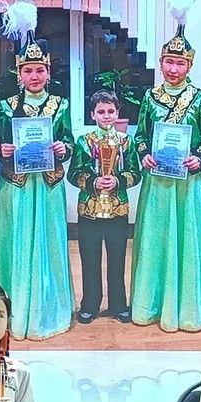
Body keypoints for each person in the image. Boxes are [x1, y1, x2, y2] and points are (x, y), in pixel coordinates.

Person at [129, 0, 201, 332]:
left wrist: (200, 157)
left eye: (180, 63)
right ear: (161, 62)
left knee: (186, 242)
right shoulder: (150, 97)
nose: (174, 69)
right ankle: (150, 304)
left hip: (186, 184)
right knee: (155, 241)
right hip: (158, 182)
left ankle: (187, 308)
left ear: (189, 66)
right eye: (169, 62)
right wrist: (143, 154)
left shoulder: (200, 99)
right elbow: (140, 136)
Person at [0, 38, 74, 340]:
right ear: (19, 74)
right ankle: (14, 309)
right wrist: (2, 149)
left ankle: (46, 308)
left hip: (48, 185)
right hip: (17, 186)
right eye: (28, 70)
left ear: (48, 73)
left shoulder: (61, 105)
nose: (35, 76)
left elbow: (69, 141)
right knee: (17, 242)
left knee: (48, 244)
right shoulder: (5, 106)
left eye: (40, 70)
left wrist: (63, 148)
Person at [68, 89, 138, 324]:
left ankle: (119, 304)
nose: (106, 116)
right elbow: (73, 173)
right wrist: (92, 182)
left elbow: (135, 173)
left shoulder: (127, 141)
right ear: (92, 114)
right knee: (90, 259)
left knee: (117, 259)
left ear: (117, 113)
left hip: (118, 209)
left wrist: (118, 181)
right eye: (101, 112)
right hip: (89, 210)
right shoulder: (83, 141)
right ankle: (90, 303)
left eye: (110, 111)